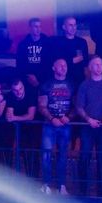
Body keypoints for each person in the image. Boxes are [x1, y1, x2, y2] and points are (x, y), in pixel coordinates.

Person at [76, 56, 102, 197]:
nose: (99, 67)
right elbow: (79, 107)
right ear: (90, 67)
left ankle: (101, 191)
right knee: (84, 156)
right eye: (96, 64)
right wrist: (89, 119)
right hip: (87, 127)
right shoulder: (84, 85)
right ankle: (83, 190)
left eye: (101, 64)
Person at [38, 58, 75, 195]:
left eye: (65, 65)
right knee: (46, 154)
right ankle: (46, 184)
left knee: (63, 155)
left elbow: (76, 105)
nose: (63, 67)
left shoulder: (72, 84)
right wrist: (52, 118)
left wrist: (68, 117)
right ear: (53, 68)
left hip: (65, 125)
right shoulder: (46, 84)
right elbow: (41, 106)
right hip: (49, 125)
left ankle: (62, 185)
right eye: (60, 65)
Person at [5, 79, 38, 176]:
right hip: (16, 129)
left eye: (20, 89)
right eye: (15, 90)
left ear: (23, 87)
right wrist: (20, 117)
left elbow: (30, 116)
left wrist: (15, 118)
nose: (19, 92)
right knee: (18, 153)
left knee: (31, 155)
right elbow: (9, 116)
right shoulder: (10, 96)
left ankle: (33, 179)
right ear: (12, 90)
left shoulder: (31, 94)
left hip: (32, 129)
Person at [50, 16, 89, 87]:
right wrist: (72, 60)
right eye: (70, 25)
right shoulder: (57, 42)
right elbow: (56, 60)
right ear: (64, 27)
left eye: (74, 25)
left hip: (79, 78)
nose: (73, 28)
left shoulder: (82, 42)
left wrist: (68, 60)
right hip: (63, 78)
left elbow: (85, 61)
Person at [16, 17, 51, 91]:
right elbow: (20, 63)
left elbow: (49, 61)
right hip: (28, 78)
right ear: (30, 28)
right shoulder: (23, 44)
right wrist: (28, 76)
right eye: (35, 27)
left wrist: (40, 80)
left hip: (44, 78)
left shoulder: (47, 43)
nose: (38, 29)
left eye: (40, 26)